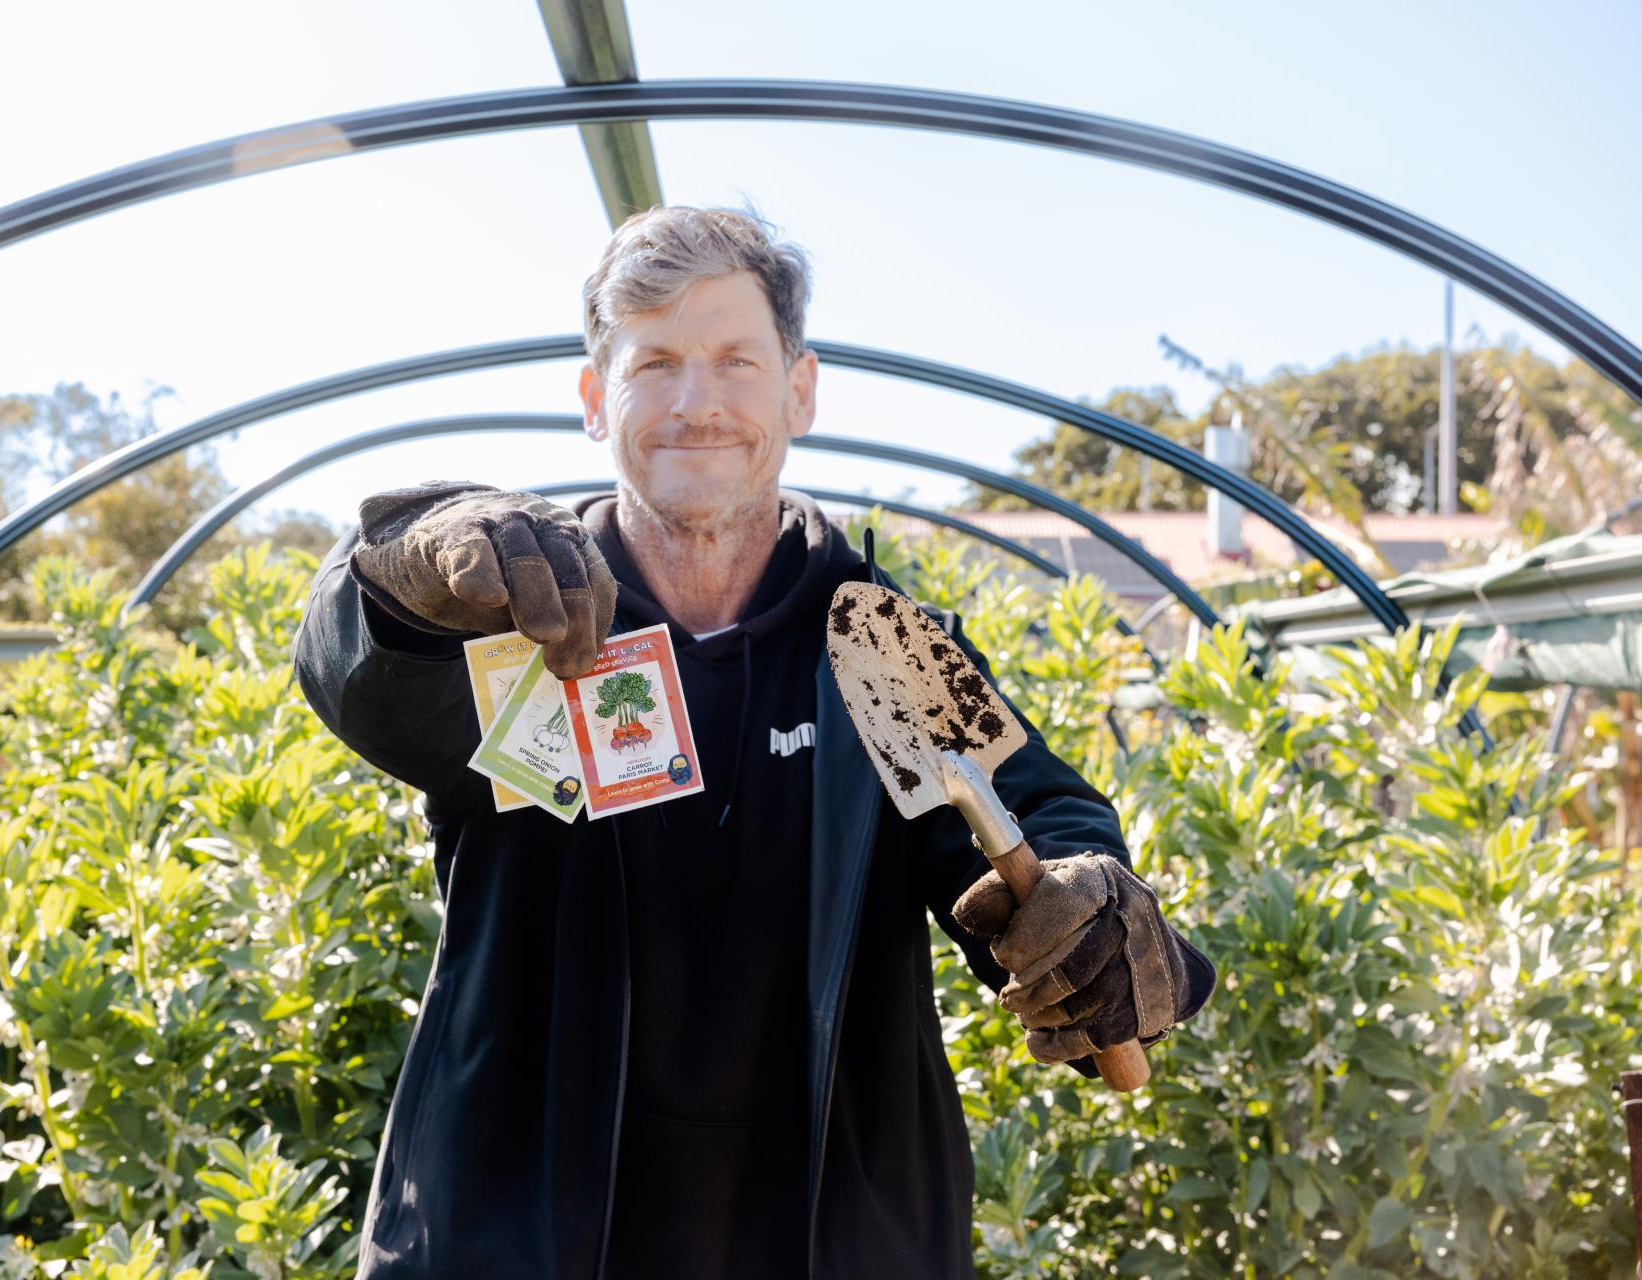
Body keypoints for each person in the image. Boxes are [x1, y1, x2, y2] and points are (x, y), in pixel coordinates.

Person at [293, 206, 1214, 1279]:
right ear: (595, 400)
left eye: (735, 359)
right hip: (517, 1234)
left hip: (835, 1238)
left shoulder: (874, 640)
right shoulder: (514, 613)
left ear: (799, 389)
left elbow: (1021, 813)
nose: (696, 403)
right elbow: (360, 673)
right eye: (654, 363)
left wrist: (1083, 894)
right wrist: (391, 579)